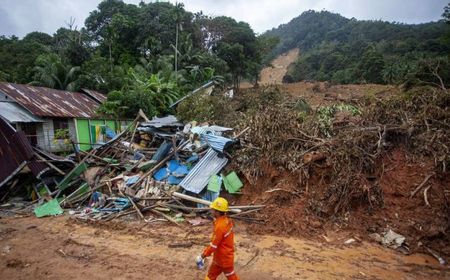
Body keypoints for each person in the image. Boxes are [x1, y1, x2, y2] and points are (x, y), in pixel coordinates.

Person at [198, 197, 239, 280]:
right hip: (224, 258)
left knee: (227, 277)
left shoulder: (220, 226)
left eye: (213, 209)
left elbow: (213, 245)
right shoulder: (226, 221)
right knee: (211, 276)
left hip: (222, 259)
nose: (211, 211)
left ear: (217, 212)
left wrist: (203, 255)